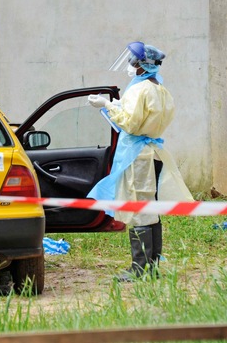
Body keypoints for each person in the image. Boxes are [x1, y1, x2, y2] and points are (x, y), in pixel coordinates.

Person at [87, 41, 193, 282]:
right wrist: (113, 105)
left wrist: (105, 105)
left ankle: (139, 268)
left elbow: (131, 123)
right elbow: (140, 117)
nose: (128, 65)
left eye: (132, 61)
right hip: (150, 152)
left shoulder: (139, 90)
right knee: (150, 209)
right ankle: (151, 266)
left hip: (137, 156)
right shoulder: (158, 89)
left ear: (141, 65)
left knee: (139, 208)